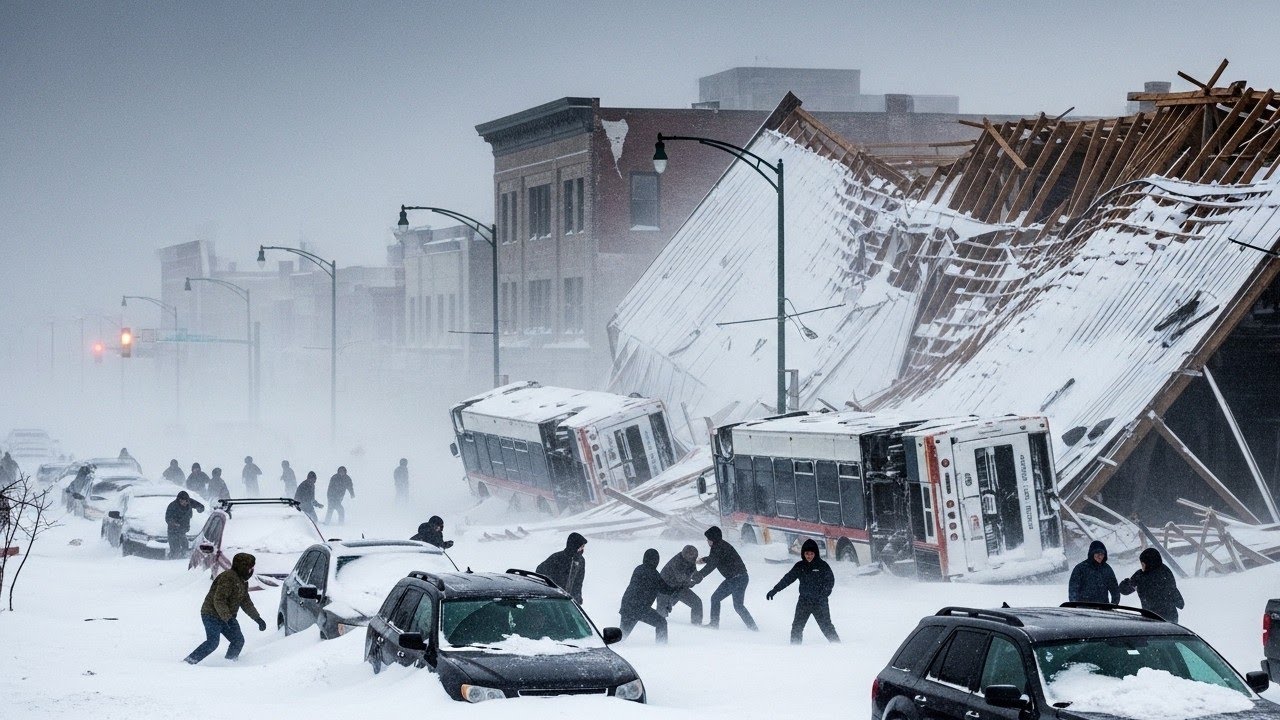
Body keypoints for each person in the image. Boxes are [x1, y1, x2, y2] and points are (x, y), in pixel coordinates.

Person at [183, 552, 267, 664]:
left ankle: (228, 664)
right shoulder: (228, 577)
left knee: (238, 640)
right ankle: (189, 662)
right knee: (213, 642)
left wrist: (258, 619)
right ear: (243, 567)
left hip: (226, 618)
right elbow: (219, 600)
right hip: (211, 614)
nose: (251, 571)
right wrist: (229, 619)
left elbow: (246, 602)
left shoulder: (242, 582)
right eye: (250, 568)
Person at [767, 538, 839, 644]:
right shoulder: (800, 566)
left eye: (811, 553)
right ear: (803, 553)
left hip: (819, 602)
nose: (809, 556)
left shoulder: (822, 566)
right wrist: (775, 590)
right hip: (804, 602)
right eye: (806, 553)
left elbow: (830, 581)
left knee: (826, 626)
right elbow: (788, 579)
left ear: (815, 553)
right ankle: (795, 650)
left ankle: (839, 647)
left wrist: (824, 594)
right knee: (797, 627)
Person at [694, 526, 757, 630]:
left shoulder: (717, 548)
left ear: (713, 539)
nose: (707, 541)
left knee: (726, 602)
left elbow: (712, 565)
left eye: (708, 539)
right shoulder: (721, 545)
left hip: (736, 579)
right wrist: (704, 560)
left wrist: (700, 575)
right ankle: (753, 628)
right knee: (733, 604)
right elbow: (715, 559)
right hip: (739, 578)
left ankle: (715, 624)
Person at [619, 548, 678, 643]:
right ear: (656, 560)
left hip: (627, 605)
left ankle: (609, 646)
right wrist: (678, 587)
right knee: (661, 623)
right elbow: (666, 589)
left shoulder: (638, 569)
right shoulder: (653, 574)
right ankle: (662, 647)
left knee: (621, 636)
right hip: (639, 608)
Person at [1119, 547, 1185, 623]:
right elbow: (1173, 591)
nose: (1142, 566)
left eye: (1143, 563)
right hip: (1170, 619)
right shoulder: (1165, 571)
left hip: (1151, 619)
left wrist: (1127, 582)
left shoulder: (1141, 576)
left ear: (1148, 562)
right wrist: (1179, 602)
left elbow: (1124, 590)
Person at [657, 544, 704, 625]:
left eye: (694, 555)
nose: (692, 557)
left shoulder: (691, 561)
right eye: (690, 555)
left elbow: (693, 574)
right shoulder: (677, 561)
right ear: (685, 554)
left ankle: (697, 626)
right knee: (660, 616)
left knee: (697, 603)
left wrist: (698, 577)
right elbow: (681, 578)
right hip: (664, 588)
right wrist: (692, 581)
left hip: (679, 588)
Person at [536, 532, 587, 605]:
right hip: (554, 598)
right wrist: (552, 587)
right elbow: (540, 570)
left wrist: (578, 597)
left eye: (583, 547)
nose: (582, 549)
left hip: (569, 600)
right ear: (574, 545)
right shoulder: (557, 557)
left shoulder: (581, 561)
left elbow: (579, 581)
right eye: (581, 546)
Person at [1068, 540, 1120, 605]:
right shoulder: (1080, 568)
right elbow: (1073, 590)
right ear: (1092, 554)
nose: (1100, 556)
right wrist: (1075, 606)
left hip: (1103, 609)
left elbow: (1115, 590)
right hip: (1084, 610)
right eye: (1097, 554)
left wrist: (1113, 605)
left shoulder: (1107, 569)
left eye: (1102, 554)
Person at [164, 491, 206, 560]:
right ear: (179, 500)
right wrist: (174, 523)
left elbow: (200, 506)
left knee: (185, 548)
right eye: (184, 502)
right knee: (175, 550)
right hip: (173, 531)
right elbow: (168, 518)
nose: (186, 503)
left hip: (183, 530)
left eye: (187, 501)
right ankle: (172, 562)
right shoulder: (172, 506)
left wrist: (200, 508)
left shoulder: (189, 502)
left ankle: (183, 561)